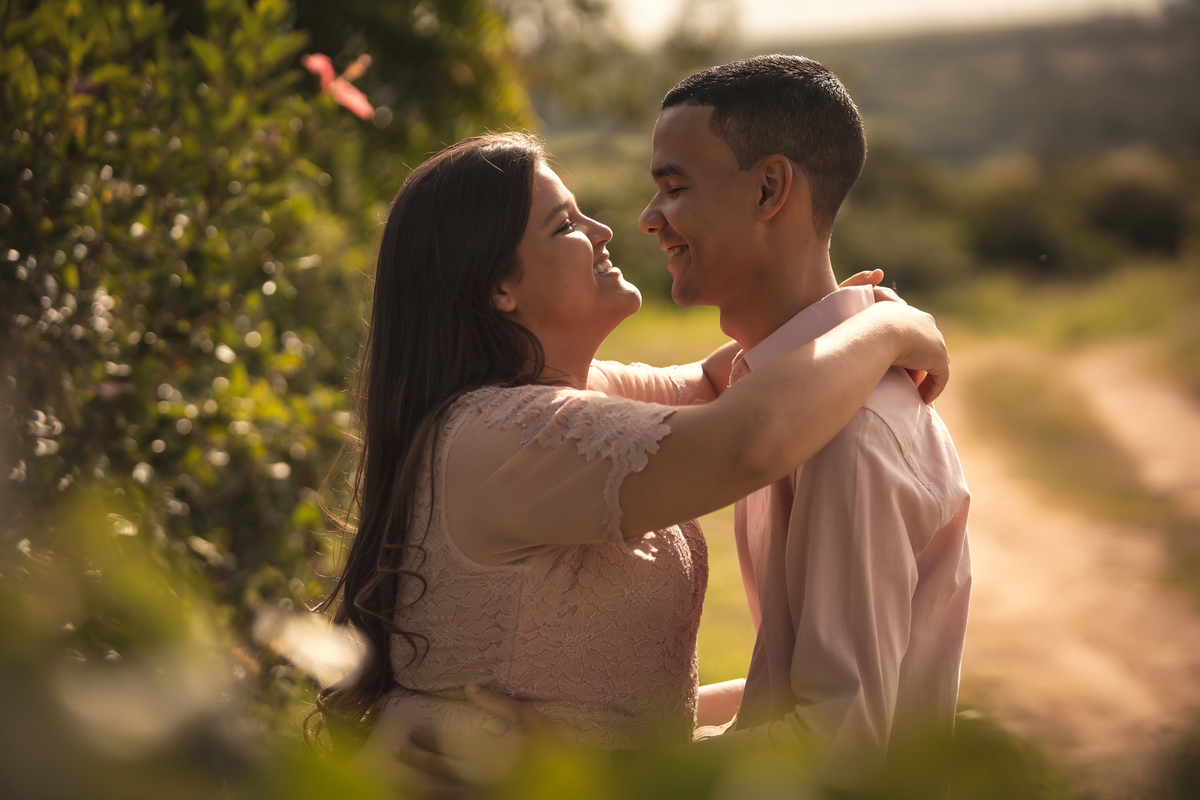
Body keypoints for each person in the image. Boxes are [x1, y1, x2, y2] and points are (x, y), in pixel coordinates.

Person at [312, 130, 951, 769]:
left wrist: (840, 315)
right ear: (499, 288)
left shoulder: (579, 395)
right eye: (565, 224)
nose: (605, 230)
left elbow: (713, 383)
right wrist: (892, 328)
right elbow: (747, 441)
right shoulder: (502, 433)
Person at [635, 55, 972, 779]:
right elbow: (779, 693)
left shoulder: (852, 434)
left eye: (674, 187)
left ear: (769, 188)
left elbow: (834, 747)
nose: (649, 218)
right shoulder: (782, 392)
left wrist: (601, 774)